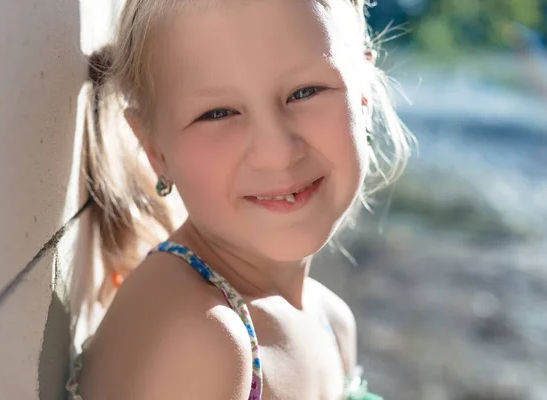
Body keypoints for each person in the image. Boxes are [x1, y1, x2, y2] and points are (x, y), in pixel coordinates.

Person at [66, 0, 412, 398]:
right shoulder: (204, 339)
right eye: (218, 113)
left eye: (305, 92)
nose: (277, 152)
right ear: (154, 149)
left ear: (363, 96)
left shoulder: (331, 322)